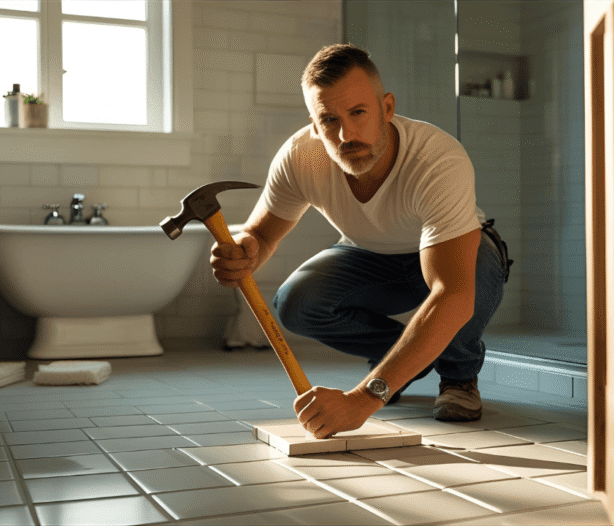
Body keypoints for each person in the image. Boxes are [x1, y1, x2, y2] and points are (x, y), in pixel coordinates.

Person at [210, 44, 512, 440]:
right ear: (314, 125)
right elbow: (261, 234)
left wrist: (365, 398)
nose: (345, 134)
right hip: (370, 255)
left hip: (453, 251)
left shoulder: (437, 159)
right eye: (329, 119)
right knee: (296, 301)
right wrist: (244, 249)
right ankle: (403, 359)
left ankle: (458, 375)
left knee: (472, 269)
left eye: (358, 113)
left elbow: (451, 294)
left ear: (387, 108)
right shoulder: (301, 157)